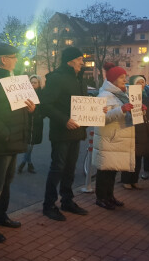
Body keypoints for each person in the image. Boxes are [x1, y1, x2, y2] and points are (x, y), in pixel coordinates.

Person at [0, 43, 36, 243]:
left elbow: (16, 105)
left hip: (14, 138)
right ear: (3, 59)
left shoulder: (12, 77)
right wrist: (5, 133)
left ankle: (1, 216)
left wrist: (29, 108)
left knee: (7, 182)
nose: (17, 60)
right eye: (13, 57)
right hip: (3, 140)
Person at [41, 47, 89, 221]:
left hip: (77, 132)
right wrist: (64, 120)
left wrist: (97, 110)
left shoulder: (80, 79)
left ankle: (67, 201)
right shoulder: (57, 78)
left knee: (70, 168)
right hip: (62, 133)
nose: (82, 62)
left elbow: (83, 103)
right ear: (69, 61)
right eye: (79, 59)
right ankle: (49, 204)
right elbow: (45, 105)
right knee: (58, 168)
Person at [93, 62, 135, 210]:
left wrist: (137, 111)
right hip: (108, 138)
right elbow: (101, 118)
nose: (125, 80)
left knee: (112, 169)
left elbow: (125, 113)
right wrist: (122, 110)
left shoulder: (121, 95)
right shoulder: (104, 95)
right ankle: (101, 197)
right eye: (122, 77)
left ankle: (109, 196)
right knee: (104, 170)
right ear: (113, 79)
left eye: (125, 77)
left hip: (117, 137)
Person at [122, 75, 149, 189]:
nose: (141, 84)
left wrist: (148, 114)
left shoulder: (148, 98)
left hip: (143, 129)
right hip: (131, 128)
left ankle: (134, 180)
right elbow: (124, 113)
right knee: (129, 156)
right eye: (138, 82)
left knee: (138, 156)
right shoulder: (127, 97)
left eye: (142, 82)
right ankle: (126, 180)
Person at [18, 75, 44, 174]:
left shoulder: (42, 95)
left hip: (36, 123)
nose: (33, 84)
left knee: (30, 144)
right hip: (26, 122)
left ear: (39, 84)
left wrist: (35, 111)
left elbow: (43, 110)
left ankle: (24, 162)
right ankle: (28, 163)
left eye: (35, 82)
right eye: (31, 82)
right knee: (28, 143)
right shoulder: (25, 94)